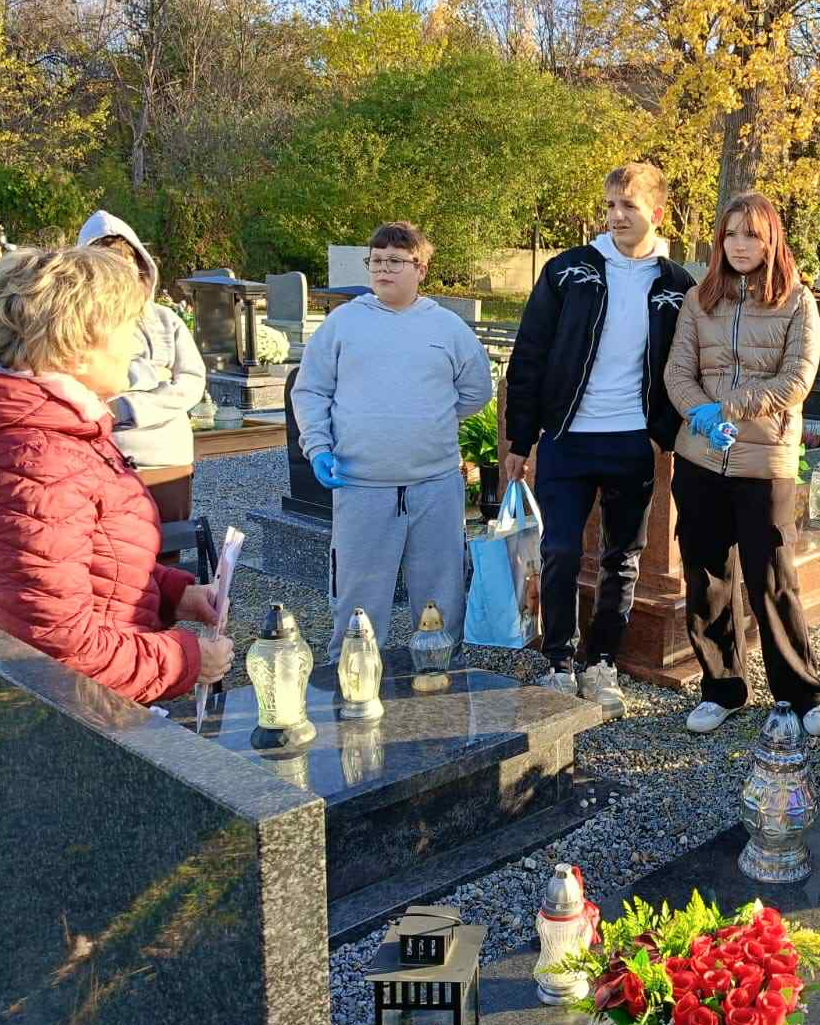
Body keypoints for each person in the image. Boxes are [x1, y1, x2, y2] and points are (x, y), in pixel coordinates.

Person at [501, 164, 696, 718]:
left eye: (628, 206)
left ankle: (602, 661)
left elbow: (688, 363)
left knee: (622, 557)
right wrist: (520, 439)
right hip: (568, 437)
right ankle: (559, 660)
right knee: (561, 549)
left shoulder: (677, 286)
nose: (616, 216)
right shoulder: (568, 271)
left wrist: (663, 435)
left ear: (657, 213)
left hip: (632, 442)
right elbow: (530, 354)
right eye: (610, 205)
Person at [0, 246, 231, 703]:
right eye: (126, 328)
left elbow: (92, 560)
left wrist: (174, 595)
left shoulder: (63, 428)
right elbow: (56, 650)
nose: (134, 346)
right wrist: (186, 660)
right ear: (78, 345)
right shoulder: (37, 458)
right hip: (75, 717)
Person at [664, 191, 820, 736]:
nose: (740, 245)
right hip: (701, 457)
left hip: (765, 460)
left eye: (752, 234)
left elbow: (796, 380)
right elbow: (677, 372)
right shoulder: (699, 299)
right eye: (731, 234)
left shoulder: (798, 301)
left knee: (772, 579)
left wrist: (728, 406)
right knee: (707, 576)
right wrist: (700, 415)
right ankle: (723, 688)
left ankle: (803, 692)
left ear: (771, 240)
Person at [291, 221, 493, 666]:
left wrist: (427, 420)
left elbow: (477, 390)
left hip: (434, 484)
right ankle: (353, 674)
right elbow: (311, 390)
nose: (383, 269)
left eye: (395, 261)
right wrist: (318, 447)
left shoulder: (447, 327)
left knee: (441, 590)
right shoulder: (344, 323)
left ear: (421, 269)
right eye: (377, 260)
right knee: (358, 593)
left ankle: (439, 671)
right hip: (362, 484)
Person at [77, 211, 206, 527]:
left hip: (166, 457)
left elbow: (190, 382)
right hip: (105, 456)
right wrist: (154, 375)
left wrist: (127, 406)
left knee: (169, 542)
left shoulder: (164, 320)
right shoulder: (77, 323)